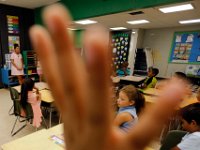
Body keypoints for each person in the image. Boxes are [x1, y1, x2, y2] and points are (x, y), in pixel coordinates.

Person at [29, 4, 188, 150]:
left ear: (131, 102)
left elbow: (106, 128)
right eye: (118, 98)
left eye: (121, 99)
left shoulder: (124, 113)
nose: (117, 101)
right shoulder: (127, 110)